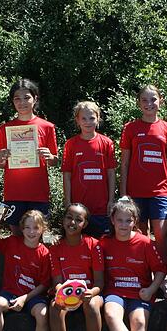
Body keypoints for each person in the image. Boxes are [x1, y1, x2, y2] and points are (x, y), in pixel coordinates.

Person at [101, 197, 166, 331]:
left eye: (128, 221)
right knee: (111, 314)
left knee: (139, 321)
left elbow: (160, 270)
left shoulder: (145, 243)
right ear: (112, 220)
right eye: (119, 220)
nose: (123, 225)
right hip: (115, 291)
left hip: (140, 293)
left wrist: (152, 288)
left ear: (135, 221)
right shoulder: (104, 243)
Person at [48, 203, 108, 331]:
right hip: (66, 295)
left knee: (90, 305)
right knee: (54, 306)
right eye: (69, 217)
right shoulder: (55, 248)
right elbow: (57, 282)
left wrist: (89, 293)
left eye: (78, 219)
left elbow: (99, 283)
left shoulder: (94, 245)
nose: (72, 222)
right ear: (63, 219)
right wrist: (64, 293)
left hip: (90, 294)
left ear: (85, 223)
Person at [119, 85, 167, 267]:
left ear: (161, 101)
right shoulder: (130, 128)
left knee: (160, 233)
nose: (149, 103)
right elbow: (125, 163)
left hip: (160, 190)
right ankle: (144, 272)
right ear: (138, 103)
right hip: (135, 192)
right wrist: (123, 194)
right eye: (144, 100)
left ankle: (162, 275)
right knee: (141, 233)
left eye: (153, 99)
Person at [0, 79, 58, 235]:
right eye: (17, 98)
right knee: (16, 236)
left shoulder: (47, 127)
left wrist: (49, 157)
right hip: (14, 192)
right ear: (12, 101)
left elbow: (55, 161)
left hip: (38, 192)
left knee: (36, 236)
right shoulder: (5, 128)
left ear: (35, 99)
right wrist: (1, 158)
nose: (22, 102)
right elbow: (1, 164)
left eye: (26, 97)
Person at [61, 101, 116, 237]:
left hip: (101, 208)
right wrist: (67, 201)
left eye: (92, 118)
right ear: (77, 120)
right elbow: (67, 175)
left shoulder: (106, 143)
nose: (88, 122)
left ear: (98, 119)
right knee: (78, 247)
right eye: (83, 118)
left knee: (101, 246)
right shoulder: (70, 144)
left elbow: (111, 173)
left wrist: (111, 200)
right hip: (78, 209)